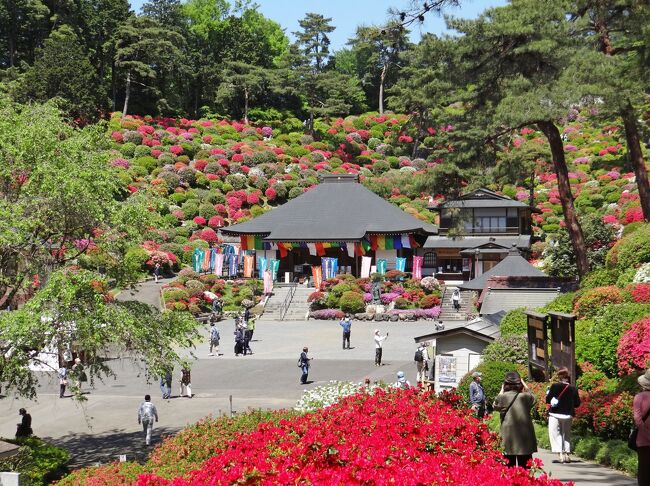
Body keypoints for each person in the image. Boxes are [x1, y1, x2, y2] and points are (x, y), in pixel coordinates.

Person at [492, 371, 537, 469]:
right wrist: (525, 385)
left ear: (505, 384)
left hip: (508, 437)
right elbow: (534, 398)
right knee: (525, 469)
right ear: (520, 383)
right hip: (524, 438)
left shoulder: (502, 398)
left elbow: (495, 405)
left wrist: (501, 390)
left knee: (508, 468)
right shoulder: (525, 397)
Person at [545, 367, 581, 464]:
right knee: (566, 434)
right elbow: (577, 403)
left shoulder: (554, 386)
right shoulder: (573, 388)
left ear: (559, 376)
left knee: (556, 434)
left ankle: (560, 454)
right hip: (568, 415)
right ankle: (567, 454)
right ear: (567, 377)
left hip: (555, 414)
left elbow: (548, 400)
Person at [633, 368, 650, 486]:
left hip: (644, 441)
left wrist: (646, 435)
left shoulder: (639, 397)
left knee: (644, 472)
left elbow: (638, 420)